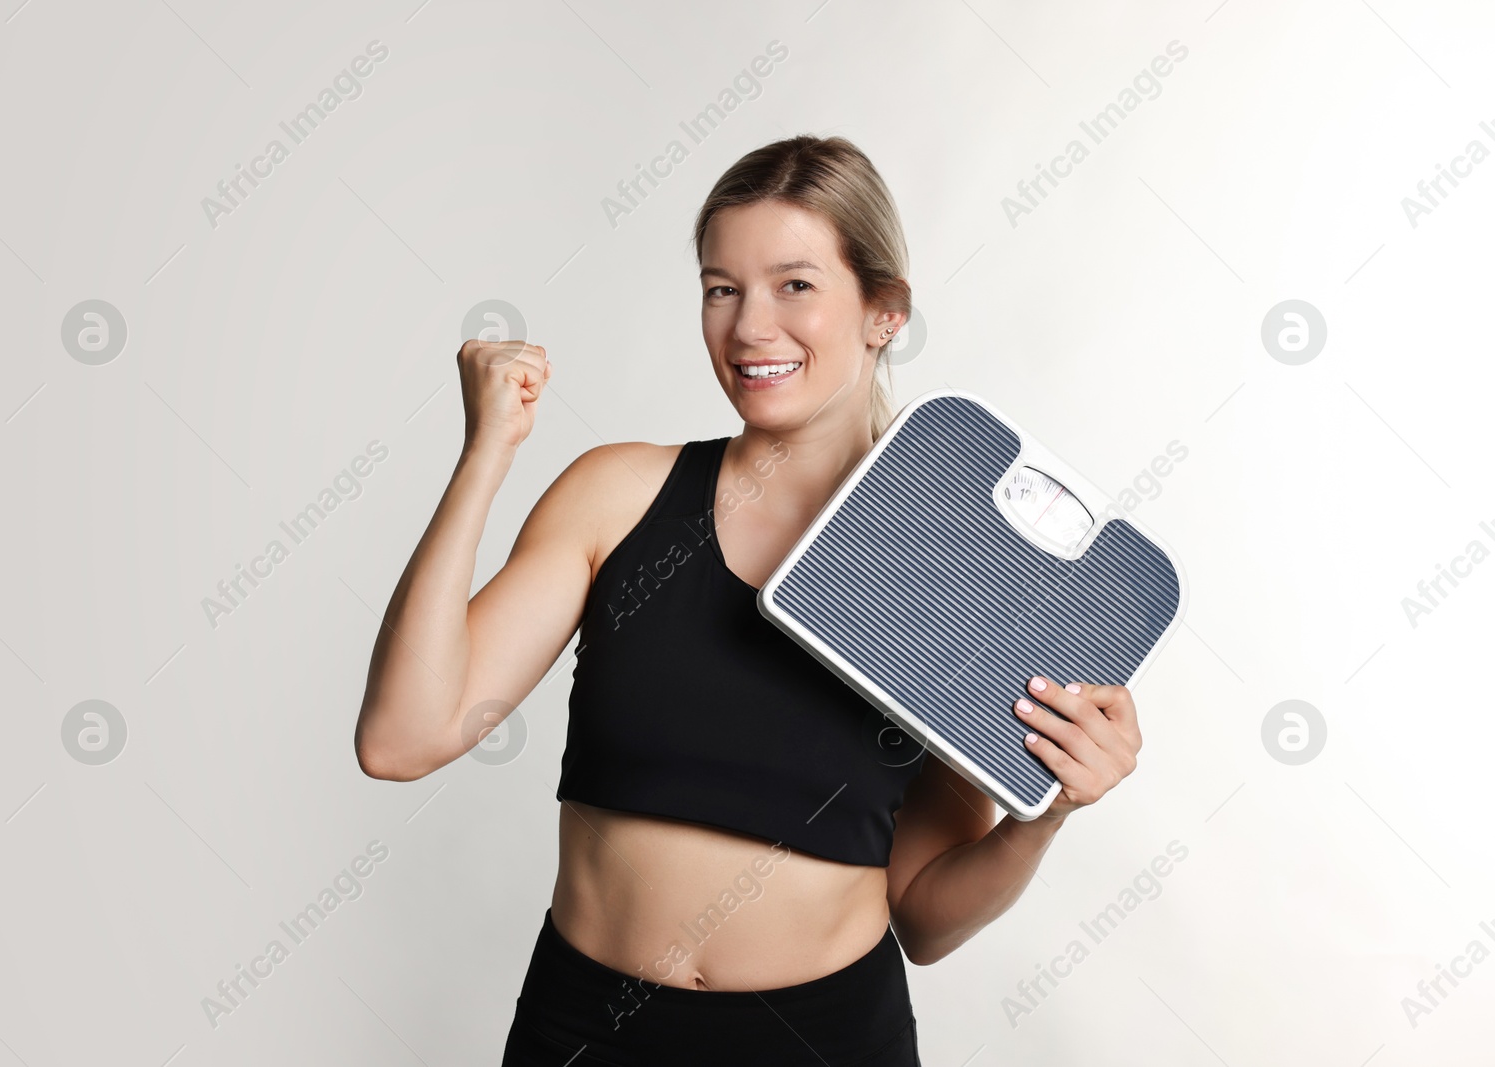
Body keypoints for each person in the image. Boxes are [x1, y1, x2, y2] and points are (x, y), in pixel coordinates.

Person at [351, 134, 1144, 1065]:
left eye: (794, 285)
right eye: (721, 287)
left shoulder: (962, 568)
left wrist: (1046, 812)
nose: (750, 327)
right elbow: (402, 737)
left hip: (827, 1038)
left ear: (884, 312)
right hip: (586, 1028)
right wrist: (486, 453)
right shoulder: (618, 496)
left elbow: (924, 916)